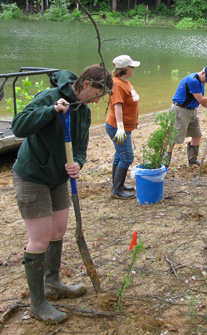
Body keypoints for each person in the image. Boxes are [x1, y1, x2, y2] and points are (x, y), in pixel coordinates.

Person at [11, 64, 113, 324]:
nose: (99, 99)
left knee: (58, 230)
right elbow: (19, 126)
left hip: (58, 178)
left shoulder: (84, 112)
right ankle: (38, 303)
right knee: (40, 239)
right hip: (32, 175)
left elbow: (81, 148)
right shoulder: (49, 96)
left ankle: (53, 283)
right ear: (86, 83)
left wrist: (78, 163)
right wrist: (51, 111)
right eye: (99, 93)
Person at [165, 66, 207, 166]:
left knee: (197, 135)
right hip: (180, 110)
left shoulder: (201, 82)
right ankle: (165, 161)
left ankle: (192, 160)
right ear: (203, 73)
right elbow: (201, 100)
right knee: (174, 137)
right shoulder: (193, 81)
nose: (206, 82)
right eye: (206, 79)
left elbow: (201, 101)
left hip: (191, 111)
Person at [106, 55, 141, 199]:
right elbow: (117, 106)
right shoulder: (117, 84)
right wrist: (120, 128)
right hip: (117, 127)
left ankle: (117, 185)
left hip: (126, 126)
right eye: (131, 66)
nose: (133, 68)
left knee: (119, 156)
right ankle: (117, 191)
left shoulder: (125, 82)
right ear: (125, 69)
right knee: (127, 157)